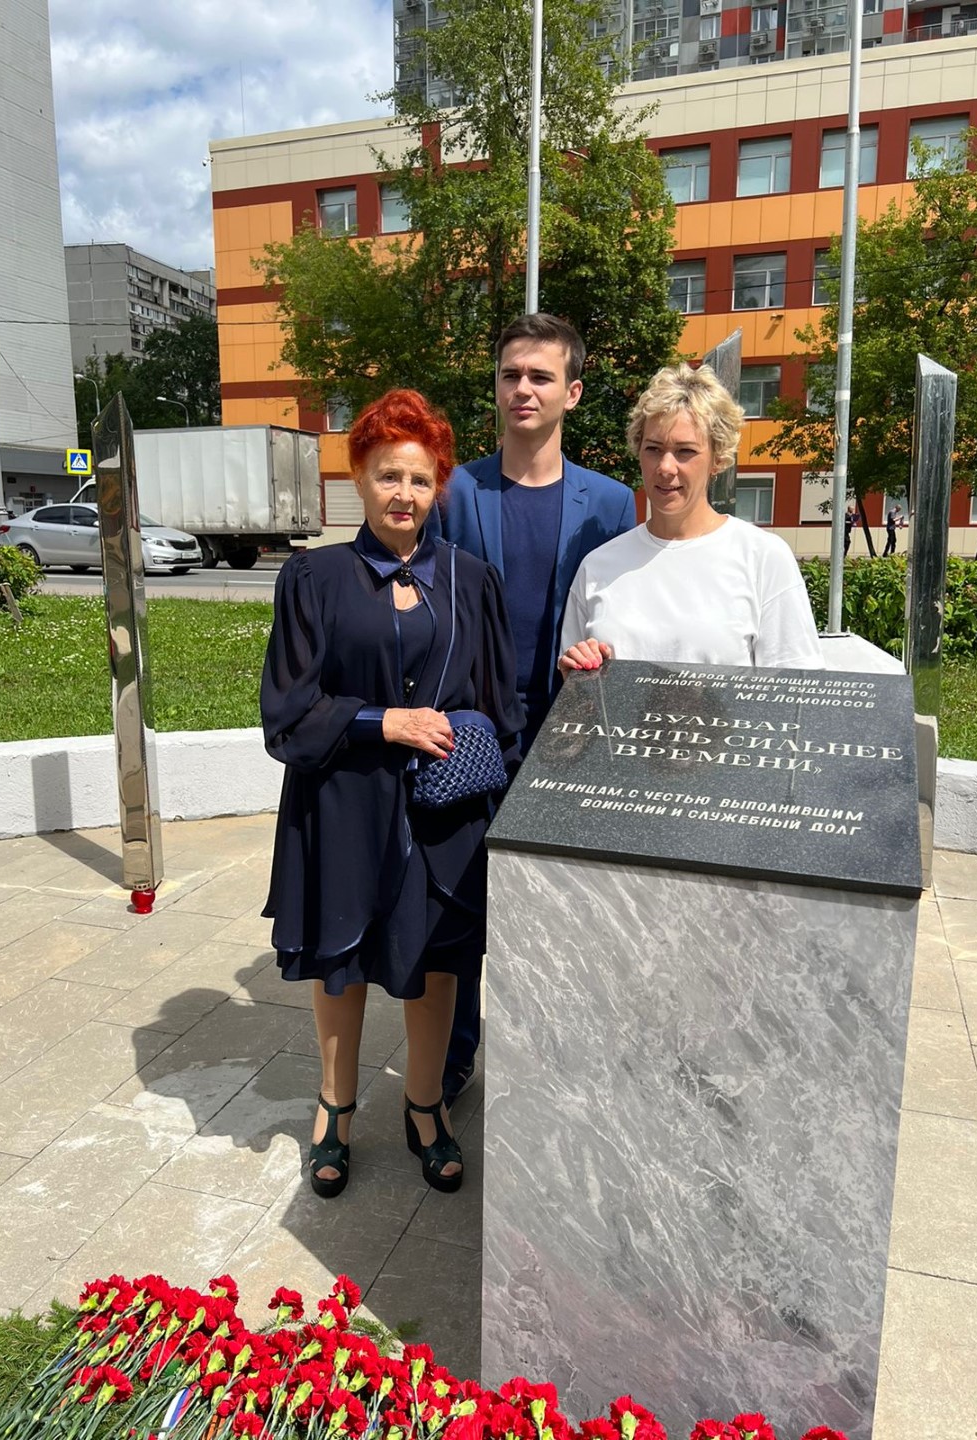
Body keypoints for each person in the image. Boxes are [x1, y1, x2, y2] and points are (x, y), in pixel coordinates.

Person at [261, 389, 525, 1201]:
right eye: (387, 476)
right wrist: (389, 723)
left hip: (445, 814)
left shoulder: (473, 581)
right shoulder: (314, 578)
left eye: (419, 477)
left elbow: (502, 704)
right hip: (341, 806)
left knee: (437, 964)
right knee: (340, 964)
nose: (403, 494)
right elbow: (286, 715)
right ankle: (334, 1114)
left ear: (439, 483)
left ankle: (424, 1107)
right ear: (359, 480)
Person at [435, 312, 636, 1102]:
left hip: (565, 739)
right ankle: (450, 1059)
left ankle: (545, 1062)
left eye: (540, 376)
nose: (523, 388)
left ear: (572, 392)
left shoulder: (611, 504)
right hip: (469, 735)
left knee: (555, 914)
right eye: (511, 374)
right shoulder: (455, 490)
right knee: (458, 910)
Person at [559, 363, 824, 675]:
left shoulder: (762, 557)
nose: (666, 467)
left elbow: (795, 689)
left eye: (685, 451)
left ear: (718, 458)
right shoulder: (598, 566)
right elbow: (578, 703)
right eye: (653, 449)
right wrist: (578, 674)